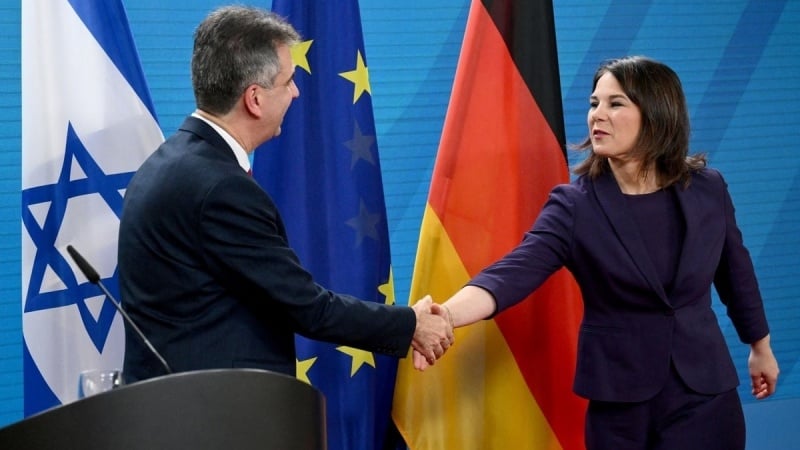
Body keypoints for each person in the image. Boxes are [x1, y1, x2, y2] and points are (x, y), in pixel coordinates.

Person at [421, 56, 779, 449]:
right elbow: (512, 273)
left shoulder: (708, 188)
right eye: (594, 103)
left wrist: (759, 347)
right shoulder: (574, 206)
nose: (597, 115)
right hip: (620, 404)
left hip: (704, 395)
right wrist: (447, 315)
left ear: (657, 113)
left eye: (615, 103)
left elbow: (736, 275)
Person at [118, 5, 453, 383]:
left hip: (176, 401)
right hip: (212, 407)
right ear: (255, 99)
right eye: (288, 81)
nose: (296, 92)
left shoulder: (166, 163)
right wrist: (411, 324)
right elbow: (305, 306)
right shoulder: (220, 189)